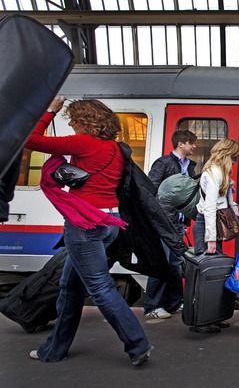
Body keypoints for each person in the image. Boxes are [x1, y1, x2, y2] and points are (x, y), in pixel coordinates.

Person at [25, 95, 153, 366]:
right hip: (110, 223)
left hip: (85, 225)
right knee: (69, 286)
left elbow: (30, 139)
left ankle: (138, 344)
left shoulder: (84, 143)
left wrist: (50, 111)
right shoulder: (117, 149)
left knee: (100, 287)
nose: (71, 125)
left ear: (84, 121)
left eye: (73, 120)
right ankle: (54, 349)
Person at [143, 130, 197, 320]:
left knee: (174, 264)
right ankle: (153, 306)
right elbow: (150, 189)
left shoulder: (190, 167)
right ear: (181, 144)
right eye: (191, 143)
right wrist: (157, 215)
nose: (194, 146)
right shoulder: (163, 163)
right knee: (161, 262)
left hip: (178, 223)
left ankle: (174, 303)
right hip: (163, 222)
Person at [191, 138, 239, 333]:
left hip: (210, 224)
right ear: (227, 155)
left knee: (213, 274)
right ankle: (200, 321)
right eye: (234, 157)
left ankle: (212, 316)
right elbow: (210, 207)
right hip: (206, 224)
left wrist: (233, 205)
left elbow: (222, 199)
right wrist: (210, 238)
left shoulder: (220, 172)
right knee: (205, 274)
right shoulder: (213, 172)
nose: (235, 161)